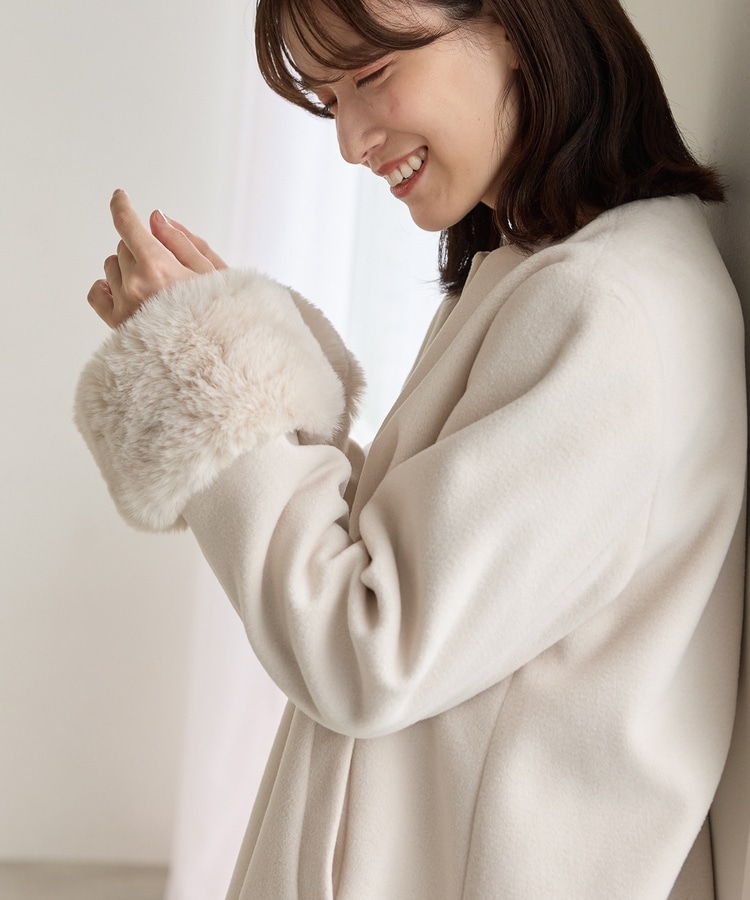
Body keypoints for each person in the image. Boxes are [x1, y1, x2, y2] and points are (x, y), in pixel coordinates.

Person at [74, 0, 747, 897]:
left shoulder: (601, 308)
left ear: (511, 25)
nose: (351, 141)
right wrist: (221, 351)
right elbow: (395, 561)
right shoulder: (548, 274)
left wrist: (204, 369)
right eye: (329, 99)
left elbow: (367, 650)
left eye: (372, 73)